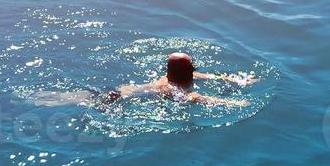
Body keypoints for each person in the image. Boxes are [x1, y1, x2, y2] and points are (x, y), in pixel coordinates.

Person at [98, 53, 256, 108]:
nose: (195, 68)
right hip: (120, 98)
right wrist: (235, 103)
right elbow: (199, 99)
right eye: (192, 65)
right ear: (189, 70)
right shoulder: (170, 88)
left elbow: (212, 77)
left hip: (123, 91)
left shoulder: (177, 75)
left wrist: (240, 81)